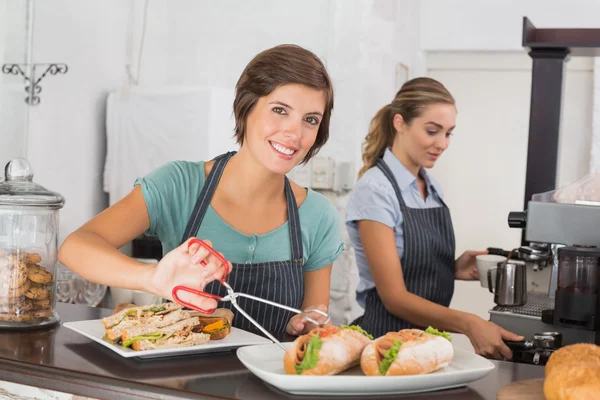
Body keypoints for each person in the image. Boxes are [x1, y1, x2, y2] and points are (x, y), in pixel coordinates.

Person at [58, 44, 345, 336]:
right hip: (175, 381)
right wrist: (153, 279)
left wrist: (308, 325)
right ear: (246, 108)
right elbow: (76, 247)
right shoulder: (179, 186)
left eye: (311, 120)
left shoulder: (318, 216)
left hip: (271, 381)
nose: (295, 134)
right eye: (280, 110)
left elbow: (313, 321)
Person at [345, 77, 523, 360]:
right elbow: (394, 297)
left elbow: (407, 267)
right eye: (432, 131)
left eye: (449, 133)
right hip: (384, 347)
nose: (442, 144)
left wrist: (449, 269)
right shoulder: (376, 191)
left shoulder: (430, 185)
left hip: (423, 345)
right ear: (400, 123)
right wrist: (470, 323)